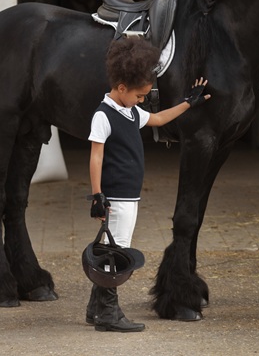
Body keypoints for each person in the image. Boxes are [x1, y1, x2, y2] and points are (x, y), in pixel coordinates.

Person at [86, 37, 210, 332]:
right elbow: (95, 157)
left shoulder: (130, 111)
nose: (143, 100)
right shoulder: (103, 116)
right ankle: (108, 313)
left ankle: (95, 308)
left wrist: (187, 103)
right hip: (115, 197)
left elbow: (157, 118)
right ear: (121, 89)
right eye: (140, 95)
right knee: (117, 253)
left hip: (130, 196)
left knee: (110, 249)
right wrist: (97, 196)